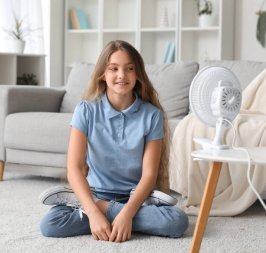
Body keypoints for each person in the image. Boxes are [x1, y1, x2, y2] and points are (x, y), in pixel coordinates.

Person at [39, 40, 189, 242]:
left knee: (177, 221)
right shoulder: (86, 110)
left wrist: (126, 213)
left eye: (129, 69)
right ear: (103, 73)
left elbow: (149, 174)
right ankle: (104, 214)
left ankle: (112, 216)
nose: (122, 75)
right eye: (114, 69)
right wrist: (93, 212)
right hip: (95, 195)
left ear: (138, 74)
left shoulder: (152, 115)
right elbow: (74, 168)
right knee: (50, 224)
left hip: (135, 199)